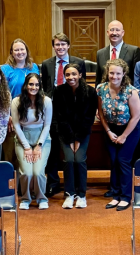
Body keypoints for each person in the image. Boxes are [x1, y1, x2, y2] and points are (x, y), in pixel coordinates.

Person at [41, 32, 86, 197]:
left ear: (68, 46)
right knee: (52, 148)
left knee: (70, 148)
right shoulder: (46, 64)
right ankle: (53, 183)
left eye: (63, 44)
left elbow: (83, 87)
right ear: (53, 47)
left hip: (71, 110)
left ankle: (74, 184)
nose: (60, 47)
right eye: (57, 45)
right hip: (51, 110)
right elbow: (44, 87)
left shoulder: (79, 63)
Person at [97, 59, 140, 211]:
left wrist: (124, 136)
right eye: (111, 73)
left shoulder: (131, 91)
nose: (114, 76)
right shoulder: (101, 89)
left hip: (130, 129)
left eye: (117, 73)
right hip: (111, 129)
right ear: (107, 73)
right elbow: (101, 114)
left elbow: (136, 117)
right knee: (114, 160)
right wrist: (108, 131)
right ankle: (115, 194)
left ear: (123, 74)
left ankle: (126, 196)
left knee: (123, 160)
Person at [53, 63, 98, 209]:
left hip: (82, 133)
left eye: (74, 74)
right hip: (65, 133)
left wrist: (78, 138)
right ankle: (69, 194)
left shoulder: (90, 92)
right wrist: (70, 139)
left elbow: (89, 118)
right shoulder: (58, 91)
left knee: (79, 160)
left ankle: (81, 194)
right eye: (67, 75)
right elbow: (60, 117)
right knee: (68, 159)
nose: (70, 77)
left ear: (80, 75)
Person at [12, 73, 52, 210]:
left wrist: (39, 145)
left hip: (42, 138)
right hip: (23, 138)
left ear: (40, 86)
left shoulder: (46, 101)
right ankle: (25, 198)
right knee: (27, 172)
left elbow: (47, 125)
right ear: (26, 85)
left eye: (36, 84)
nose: (33, 87)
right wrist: (27, 147)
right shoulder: (16, 101)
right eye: (31, 84)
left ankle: (41, 198)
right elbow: (16, 126)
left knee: (38, 171)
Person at [1, 39, 40, 164]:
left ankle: (25, 182)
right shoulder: (5, 69)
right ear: (11, 52)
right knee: (11, 154)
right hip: (12, 116)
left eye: (22, 49)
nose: (19, 52)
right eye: (16, 50)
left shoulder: (34, 67)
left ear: (27, 51)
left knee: (27, 154)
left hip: (31, 115)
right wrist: (8, 115)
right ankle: (11, 182)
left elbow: (39, 90)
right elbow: (2, 94)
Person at [95, 20, 140, 86]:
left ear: (122, 33)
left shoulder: (134, 51)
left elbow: (139, 77)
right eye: (112, 30)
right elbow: (98, 79)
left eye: (117, 30)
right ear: (107, 32)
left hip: (127, 93)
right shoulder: (100, 53)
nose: (114, 33)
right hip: (106, 94)